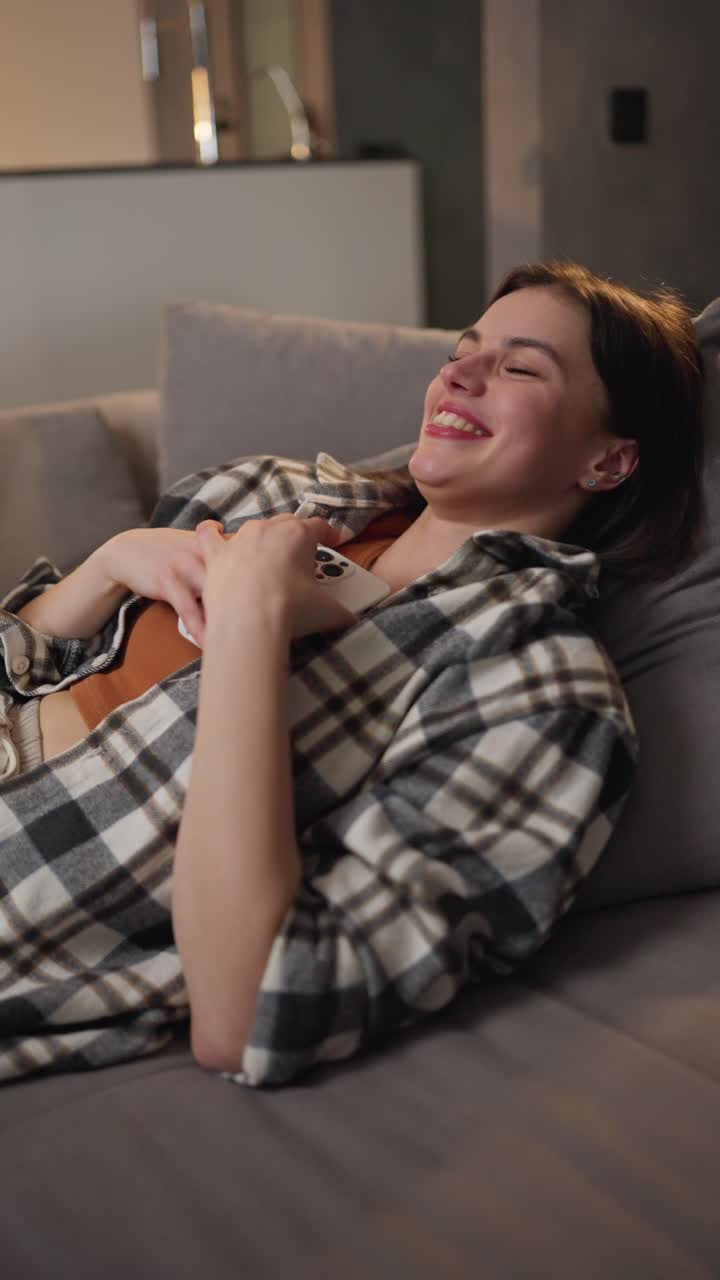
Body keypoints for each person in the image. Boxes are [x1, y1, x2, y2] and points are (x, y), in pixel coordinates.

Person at [0, 259, 704, 1088]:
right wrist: (108, 565)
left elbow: (253, 1009)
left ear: (609, 462)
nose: (459, 373)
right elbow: (28, 669)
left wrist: (248, 627)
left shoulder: (537, 687)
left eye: (519, 367)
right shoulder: (268, 493)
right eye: (463, 348)